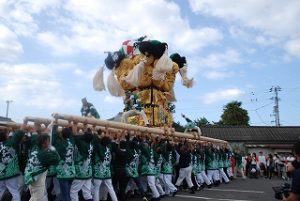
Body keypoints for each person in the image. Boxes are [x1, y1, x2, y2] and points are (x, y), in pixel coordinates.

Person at [24, 134, 60, 201]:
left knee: (33, 198)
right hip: (38, 181)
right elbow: (57, 159)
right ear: (43, 144)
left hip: (31, 178)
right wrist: (53, 150)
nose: (49, 143)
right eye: (48, 142)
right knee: (38, 199)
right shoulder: (43, 154)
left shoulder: (34, 148)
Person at [0, 126, 26, 201]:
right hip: (11, 172)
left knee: (1, 189)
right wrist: (25, 122)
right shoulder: (11, 143)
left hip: (1, 172)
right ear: (5, 136)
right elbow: (18, 134)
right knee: (14, 191)